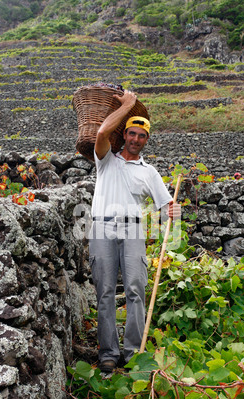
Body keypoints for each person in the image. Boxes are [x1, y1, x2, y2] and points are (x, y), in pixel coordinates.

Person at [89, 89, 181, 373]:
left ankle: (132, 352)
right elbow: (102, 131)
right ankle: (108, 352)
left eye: (142, 136)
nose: (136, 140)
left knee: (135, 291)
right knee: (104, 292)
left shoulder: (149, 172)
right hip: (102, 227)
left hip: (132, 231)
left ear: (146, 140)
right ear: (124, 134)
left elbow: (167, 204)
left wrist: (173, 211)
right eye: (132, 134)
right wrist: (127, 105)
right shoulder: (105, 159)